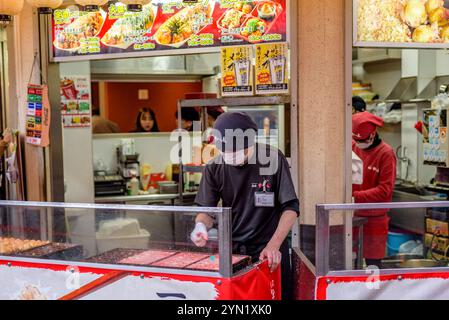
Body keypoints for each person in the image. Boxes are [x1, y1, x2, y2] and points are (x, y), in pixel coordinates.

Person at [190, 112, 300, 300]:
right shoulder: (214, 167)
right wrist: (200, 226)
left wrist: (274, 245)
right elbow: (206, 211)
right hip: (233, 252)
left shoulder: (272, 159)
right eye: (225, 151)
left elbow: (290, 207)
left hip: (269, 251)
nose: (230, 156)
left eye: (235, 150)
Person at [352, 112, 397, 268]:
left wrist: (354, 196)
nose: (357, 143)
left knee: (373, 268)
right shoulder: (353, 146)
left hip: (374, 220)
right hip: (352, 217)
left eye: (361, 140)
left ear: (372, 135)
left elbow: (385, 189)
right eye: (355, 140)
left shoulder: (386, 153)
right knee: (350, 265)